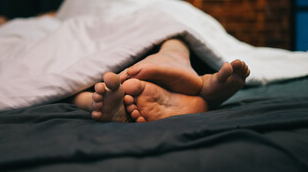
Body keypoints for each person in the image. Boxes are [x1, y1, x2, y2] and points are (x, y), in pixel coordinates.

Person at [73, 38, 250, 123]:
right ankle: (178, 59)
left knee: (72, 85)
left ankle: (95, 102)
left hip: (105, 62)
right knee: (174, 32)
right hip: (154, 52)